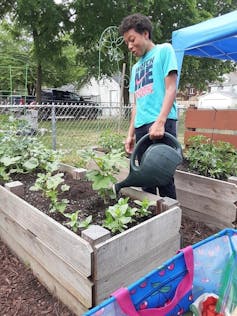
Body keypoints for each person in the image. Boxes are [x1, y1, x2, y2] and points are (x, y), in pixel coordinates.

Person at [119, 13, 178, 199]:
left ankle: (170, 224)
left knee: (164, 177)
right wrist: (130, 134)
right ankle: (152, 221)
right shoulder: (136, 68)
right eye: (126, 42)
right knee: (146, 180)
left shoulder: (164, 51)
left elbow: (171, 89)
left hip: (162, 123)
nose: (129, 46)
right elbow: (137, 103)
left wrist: (160, 122)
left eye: (132, 40)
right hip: (142, 127)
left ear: (145, 34)